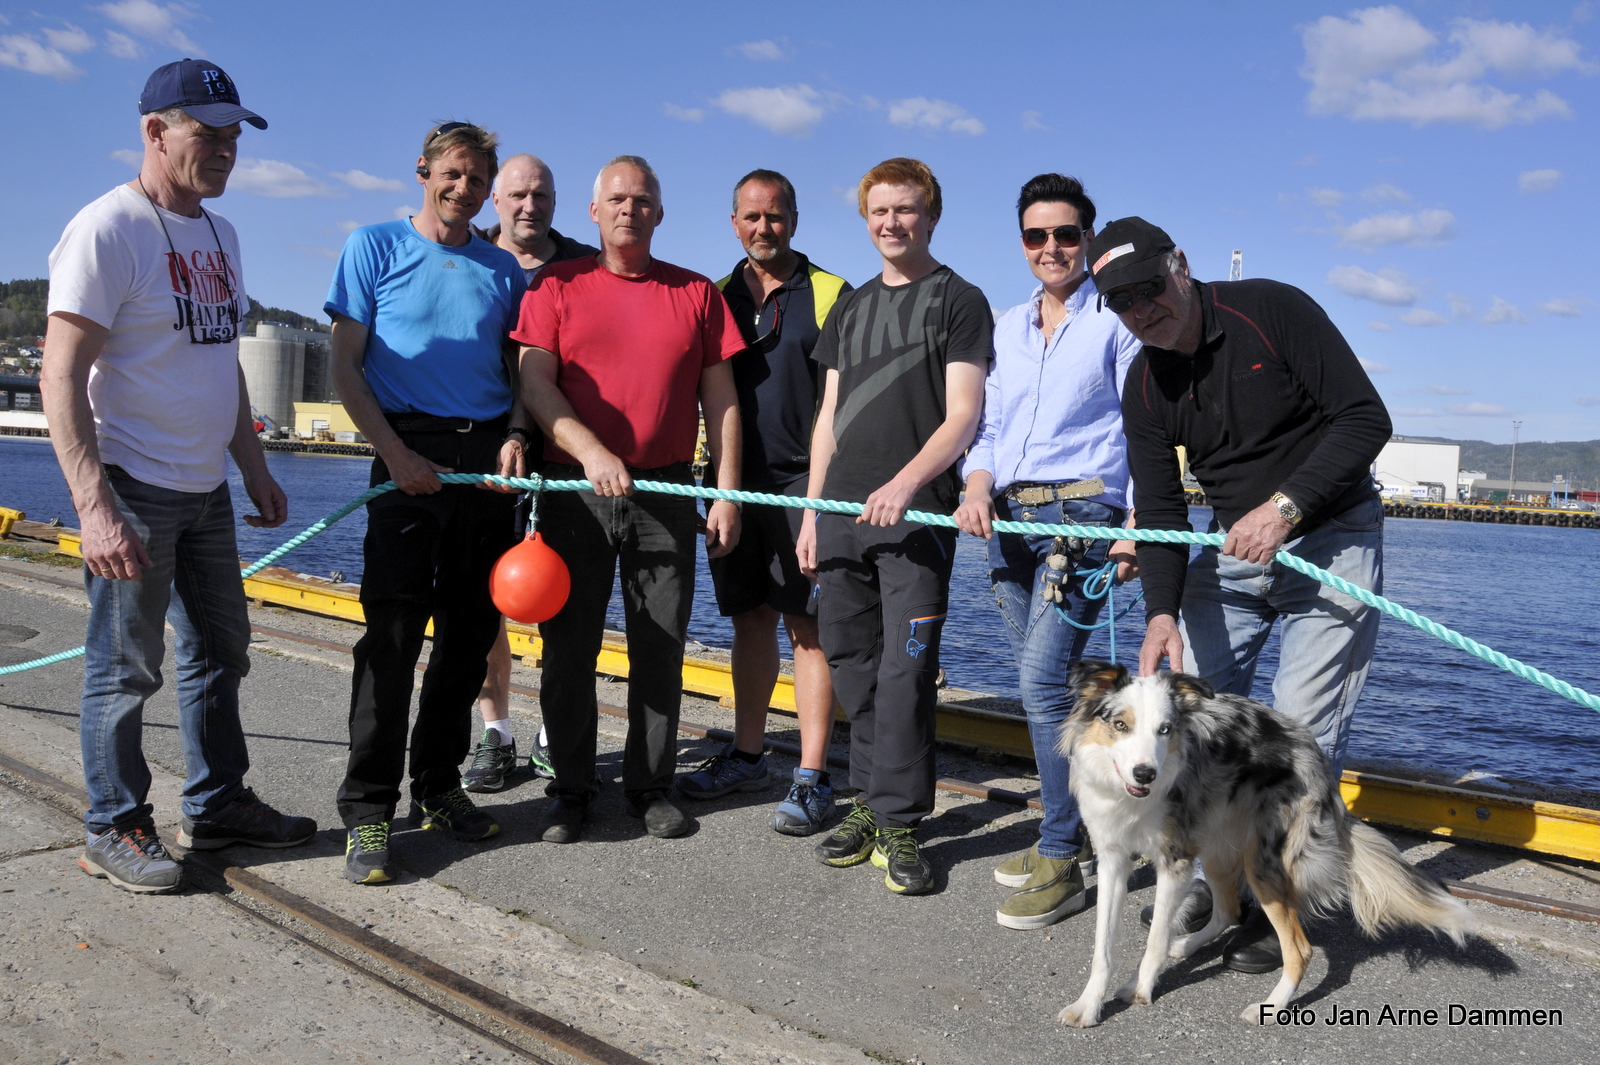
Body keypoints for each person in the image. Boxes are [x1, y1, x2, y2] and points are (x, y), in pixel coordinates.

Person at [1087, 216, 1391, 971]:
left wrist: (1287, 506)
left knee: (1297, 731)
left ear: (1181, 267)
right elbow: (1159, 510)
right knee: (1198, 725)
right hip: (1232, 553)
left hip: (1330, 540)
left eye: (1149, 289)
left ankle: (1271, 898)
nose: (1140, 311)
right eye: (1120, 303)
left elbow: (1366, 418)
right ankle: (1215, 876)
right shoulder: (1144, 381)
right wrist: (1161, 611)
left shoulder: (1272, 309)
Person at [41, 59, 315, 895]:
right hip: (132, 484)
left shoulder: (222, 237)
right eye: (210, 133)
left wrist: (254, 466)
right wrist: (94, 506)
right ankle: (113, 824)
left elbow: (219, 363)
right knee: (125, 667)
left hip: (206, 492)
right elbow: (60, 373)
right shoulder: (107, 229)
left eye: (236, 135)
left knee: (221, 652)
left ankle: (219, 801)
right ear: (155, 131)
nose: (228, 149)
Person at [513, 155, 744, 843]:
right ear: (593, 212)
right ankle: (572, 788)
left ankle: (650, 786)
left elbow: (722, 401)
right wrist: (589, 451)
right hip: (573, 494)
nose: (628, 209)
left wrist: (725, 493)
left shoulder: (697, 293)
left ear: (659, 213)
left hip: (666, 492)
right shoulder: (555, 286)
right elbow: (536, 385)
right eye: (616, 199)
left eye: (642, 200)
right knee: (568, 648)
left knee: (660, 646)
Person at [325, 121, 527, 885]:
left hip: (484, 463)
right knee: (393, 635)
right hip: (405, 447)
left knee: (470, 634)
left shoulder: (504, 270)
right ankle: (370, 808)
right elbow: (346, 367)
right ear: (422, 170)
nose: (463, 189)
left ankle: (438, 784)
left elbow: (518, 372)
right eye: (452, 173)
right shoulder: (371, 246)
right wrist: (395, 452)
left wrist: (515, 436)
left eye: (477, 179)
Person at [796, 158, 991, 895]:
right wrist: (813, 512)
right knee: (854, 667)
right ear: (864, 217)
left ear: (931, 215)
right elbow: (828, 418)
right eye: (879, 211)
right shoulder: (849, 307)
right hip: (841, 515)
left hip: (916, 521)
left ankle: (904, 821)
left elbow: (964, 413)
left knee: (907, 675)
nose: (891, 223)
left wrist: (907, 485)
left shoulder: (960, 300)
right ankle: (873, 807)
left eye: (906, 210)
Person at [953, 174, 1140, 928]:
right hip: (1010, 519)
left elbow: (1142, 429)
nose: (1052, 248)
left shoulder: (1117, 323)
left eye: (1065, 234)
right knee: (1052, 687)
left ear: (1087, 238)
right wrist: (974, 485)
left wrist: (1133, 521)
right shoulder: (1005, 327)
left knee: (1039, 683)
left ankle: (1063, 853)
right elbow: (990, 429)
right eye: (1037, 236)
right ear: (1022, 242)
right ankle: (1078, 835)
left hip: (1083, 516)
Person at [675, 169, 850, 836]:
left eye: (774, 217)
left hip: (805, 486)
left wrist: (820, 500)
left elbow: (843, 405)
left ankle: (811, 775)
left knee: (808, 629)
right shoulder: (714, 297)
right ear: (733, 223)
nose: (762, 228)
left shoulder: (833, 294)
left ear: (794, 220)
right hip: (731, 485)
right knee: (748, 620)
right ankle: (748, 754)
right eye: (750, 217)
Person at [463, 153, 598, 794]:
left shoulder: (581, 267)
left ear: (556, 200)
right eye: (516, 194)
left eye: (540, 194)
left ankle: (553, 729)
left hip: (561, 452)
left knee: (561, 603)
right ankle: (496, 731)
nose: (529, 206)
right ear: (496, 199)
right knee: (491, 594)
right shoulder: (474, 258)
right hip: (486, 453)